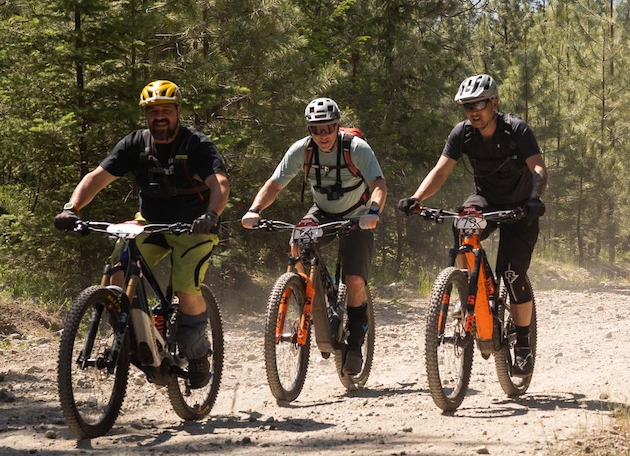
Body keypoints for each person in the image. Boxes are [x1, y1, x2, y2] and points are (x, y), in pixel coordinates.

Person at [54, 80, 229, 388]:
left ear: (178, 112)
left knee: (187, 286)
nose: (159, 117)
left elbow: (220, 184)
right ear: (146, 116)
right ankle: (134, 337)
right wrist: (72, 208)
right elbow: (97, 178)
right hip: (149, 223)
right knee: (116, 274)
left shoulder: (196, 145)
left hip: (193, 226)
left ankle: (197, 352)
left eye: (165, 110)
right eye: (152, 112)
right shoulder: (135, 143)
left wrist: (211, 215)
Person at [397, 74, 547, 377]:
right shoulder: (462, 133)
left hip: (521, 206)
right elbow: (441, 171)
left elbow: (539, 168)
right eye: (467, 107)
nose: (473, 111)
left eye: (479, 104)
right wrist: (415, 198)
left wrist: (534, 198)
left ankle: (522, 343)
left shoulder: (516, 129)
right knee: (463, 224)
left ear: (494, 102)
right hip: (486, 200)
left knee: (512, 271)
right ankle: (470, 290)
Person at [241, 97, 387, 375]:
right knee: (296, 241)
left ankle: (354, 344)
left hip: (357, 215)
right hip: (322, 212)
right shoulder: (302, 150)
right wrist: (254, 209)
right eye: (315, 130)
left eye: (327, 128)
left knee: (355, 280)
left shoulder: (356, 148)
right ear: (309, 130)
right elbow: (274, 184)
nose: (322, 135)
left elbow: (378, 184)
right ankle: (314, 297)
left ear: (337, 126)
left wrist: (374, 211)